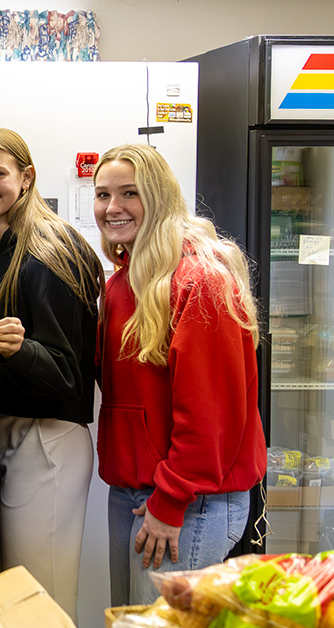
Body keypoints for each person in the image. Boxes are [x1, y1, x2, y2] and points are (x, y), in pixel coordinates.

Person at [93, 144, 264, 606]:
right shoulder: (121, 282)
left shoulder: (200, 280)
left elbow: (212, 416)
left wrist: (170, 500)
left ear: (161, 197)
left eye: (130, 193)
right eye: (103, 194)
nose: (112, 207)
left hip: (190, 500)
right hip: (132, 491)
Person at [0, 128, 103, 622]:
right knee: (11, 604)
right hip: (8, 436)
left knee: (41, 605)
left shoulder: (49, 249)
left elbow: (70, 376)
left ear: (26, 177)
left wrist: (20, 351)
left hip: (46, 440)